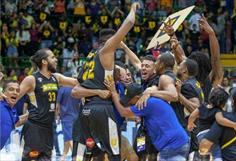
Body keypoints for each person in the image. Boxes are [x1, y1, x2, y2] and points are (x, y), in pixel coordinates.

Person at [71, 2, 140, 160]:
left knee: (83, 155)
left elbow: (76, 87)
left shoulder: (90, 58)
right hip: (102, 109)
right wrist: (133, 8)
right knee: (114, 154)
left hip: (85, 110)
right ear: (110, 41)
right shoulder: (107, 50)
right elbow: (129, 22)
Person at [1, 48, 79, 160]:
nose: (56, 60)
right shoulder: (31, 79)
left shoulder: (56, 77)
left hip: (48, 128)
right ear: (44, 61)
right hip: (34, 128)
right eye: (52, 57)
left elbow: (76, 82)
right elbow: (13, 98)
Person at [104, 77, 190, 161]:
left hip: (172, 145)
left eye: (130, 102)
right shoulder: (151, 101)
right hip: (174, 143)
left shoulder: (146, 103)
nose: (130, 104)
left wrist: (114, 92)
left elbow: (123, 112)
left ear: (138, 98)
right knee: (140, 153)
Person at [187, 87, 236, 160]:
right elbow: (220, 120)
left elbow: (192, 115)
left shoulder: (202, 106)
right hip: (210, 136)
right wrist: (234, 125)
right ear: (222, 103)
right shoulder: (217, 111)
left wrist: (190, 124)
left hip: (200, 136)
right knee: (217, 153)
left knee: (207, 154)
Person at [0, 80, 28, 149]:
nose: (15, 92)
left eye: (17, 90)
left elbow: (18, 121)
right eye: (11, 89)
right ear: (3, 93)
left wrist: (35, 112)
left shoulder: (12, 110)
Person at [56, 86, 80, 161]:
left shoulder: (62, 89)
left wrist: (57, 115)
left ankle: (76, 157)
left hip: (66, 117)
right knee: (67, 138)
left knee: (69, 138)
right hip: (77, 116)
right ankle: (63, 156)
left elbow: (57, 104)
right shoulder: (77, 88)